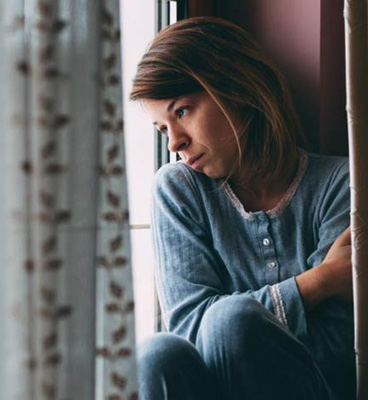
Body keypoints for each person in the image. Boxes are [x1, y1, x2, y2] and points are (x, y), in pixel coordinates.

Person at [130, 17, 355, 400]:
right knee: (153, 355)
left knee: (229, 320)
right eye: (163, 129)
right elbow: (189, 329)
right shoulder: (179, 189)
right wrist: (318, 281)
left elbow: (335, 346)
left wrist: (245, 323)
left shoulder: (340, 184)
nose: (175, 144)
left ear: (236, 90)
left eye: (182, 111)